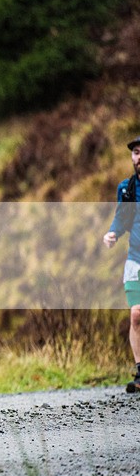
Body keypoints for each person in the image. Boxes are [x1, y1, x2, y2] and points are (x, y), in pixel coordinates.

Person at [103, 135, 140, 393]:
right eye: (136, 152)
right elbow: (122, 218)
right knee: (136, 314)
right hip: (135, 260)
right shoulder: (126, 189)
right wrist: (113, 233)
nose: (139, 157)